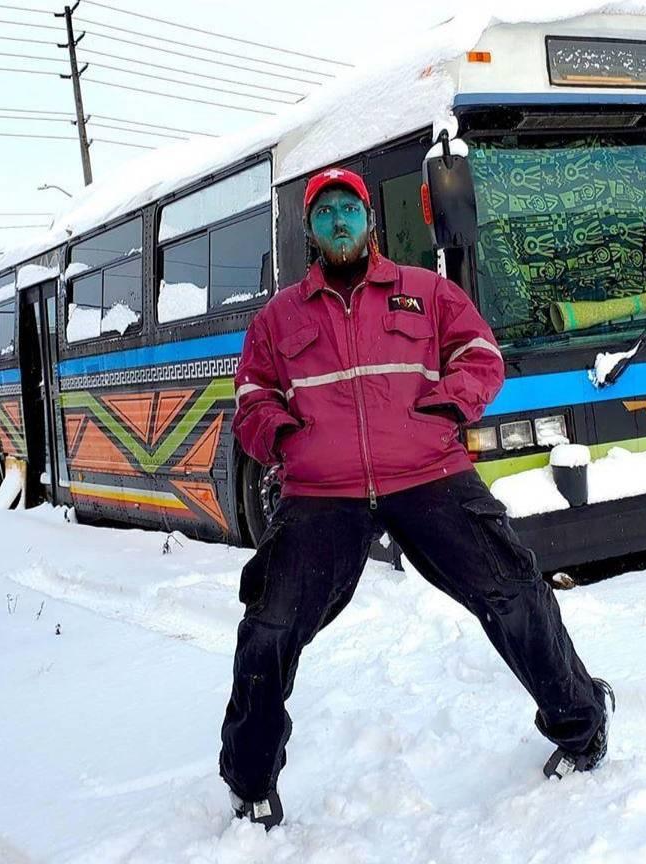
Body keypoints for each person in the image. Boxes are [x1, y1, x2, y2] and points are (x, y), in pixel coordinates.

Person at [220, 167, 613, 829]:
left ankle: (582, 724)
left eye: (350, 210)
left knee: (514, 592)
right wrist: (284, 437)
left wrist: (444, 410)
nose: (339, 222)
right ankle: (250, 781)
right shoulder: (277, 318)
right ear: (310, 230)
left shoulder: (425, 292)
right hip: (323, 491)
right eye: (325, 214)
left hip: (430, 473)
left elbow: (481, 355)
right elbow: (251, 399)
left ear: (369, 221)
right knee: (270, 628)